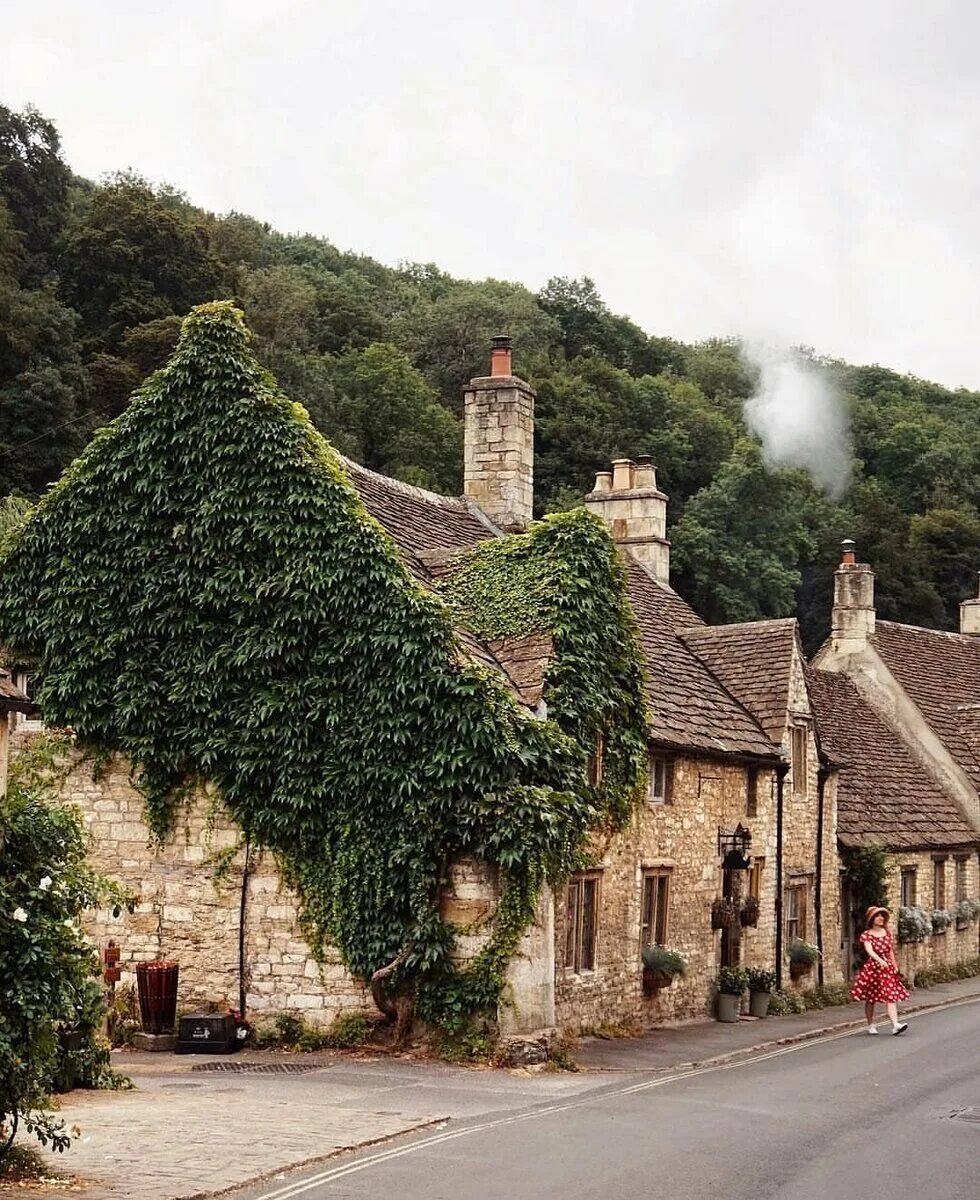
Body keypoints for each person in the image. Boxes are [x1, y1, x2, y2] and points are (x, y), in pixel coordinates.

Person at [851, 906, 909, 1035]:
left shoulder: (886, 933)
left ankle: (895, 1025)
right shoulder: (867, 935)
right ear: (872, 919)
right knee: (871, 998)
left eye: (882, 915)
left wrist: (894, 965)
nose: (881, 918)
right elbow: (869, 950)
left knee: (890, 996)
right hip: (873, 969)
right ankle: (871, 1024)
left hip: (886, 969)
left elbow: (890, 951)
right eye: (878, 916)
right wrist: (879, 960)